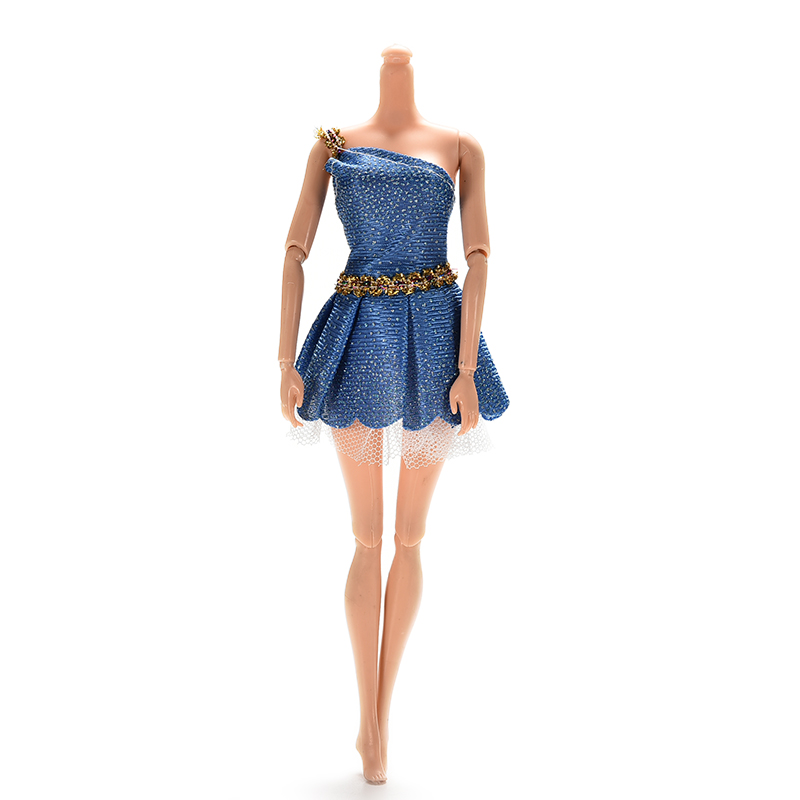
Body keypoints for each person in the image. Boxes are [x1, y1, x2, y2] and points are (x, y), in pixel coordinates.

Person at [277, 44, 509, 784]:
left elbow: (479, 255)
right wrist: (284, 360)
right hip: (357, 333)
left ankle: (381, 719)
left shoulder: (461, 147)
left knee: (409, 536)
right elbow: (294, 251)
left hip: (437, 336)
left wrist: (467, 368)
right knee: (367, 536)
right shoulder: (332, 144)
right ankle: (367, 721)